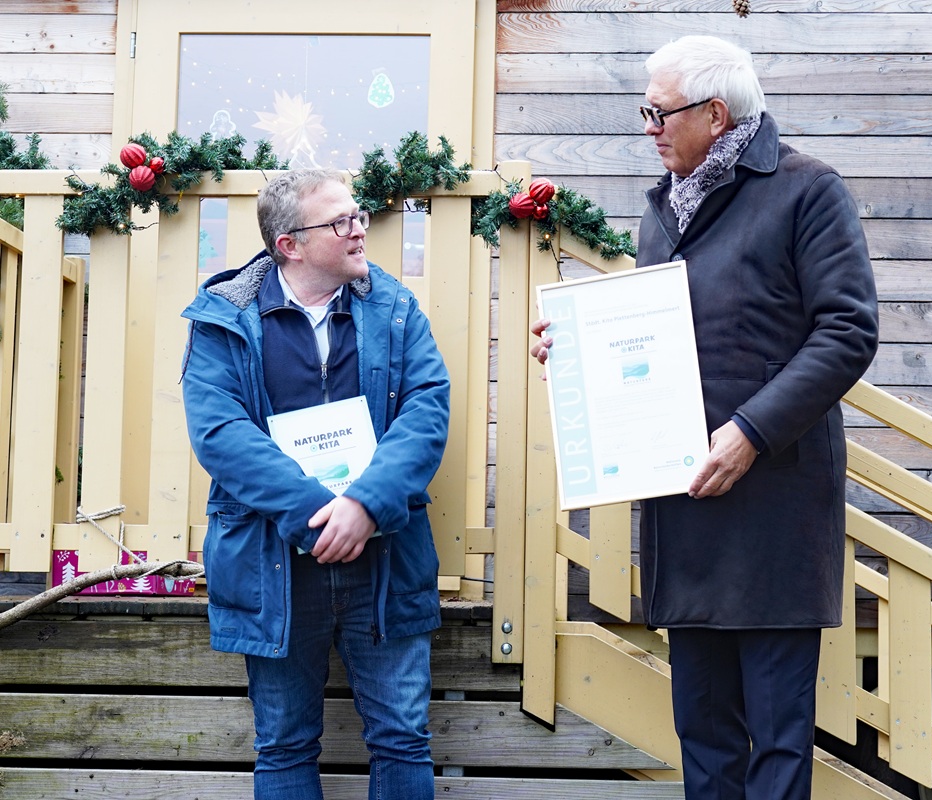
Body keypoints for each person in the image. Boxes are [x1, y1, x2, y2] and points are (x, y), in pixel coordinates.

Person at [531, 36, 878, 800]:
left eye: (659, 111)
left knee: (778, 740)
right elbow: (662, 339)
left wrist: (751, 432)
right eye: (644, 110)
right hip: (686, 499)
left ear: (716, 114)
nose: (648, 126)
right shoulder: (664, 208)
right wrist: (580, 349)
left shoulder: (808, 191)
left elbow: (847, 331)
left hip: (775, 510)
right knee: (703, 733)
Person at [181, 168, 450, 800]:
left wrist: (364, 505)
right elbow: (221, 434)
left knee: (403, 739)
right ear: (290, 245)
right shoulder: (224, 316)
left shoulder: (396, 307)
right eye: (341, 221)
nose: (359, 230)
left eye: (358, 216)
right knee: (283, 746)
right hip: (272, 562)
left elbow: (426, 409)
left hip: (385, 555)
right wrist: (315, 514)